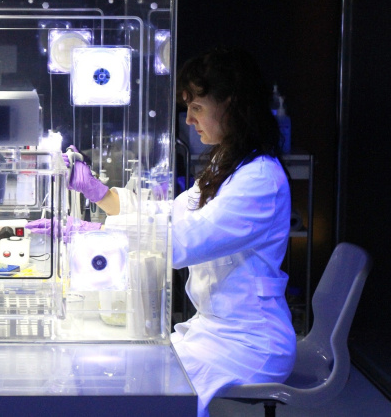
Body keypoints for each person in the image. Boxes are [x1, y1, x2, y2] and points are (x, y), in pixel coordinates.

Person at [32, 46, 296, 417]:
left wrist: (95, 231)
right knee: (137, 376)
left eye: (197, 107)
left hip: (247, 343)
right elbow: (167, 214)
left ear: (232, 104)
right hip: (212, 330)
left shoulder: (260, 179)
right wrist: (98, 194)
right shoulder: (225, 164)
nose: (188, 119)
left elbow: (182, 243)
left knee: (153, 393)